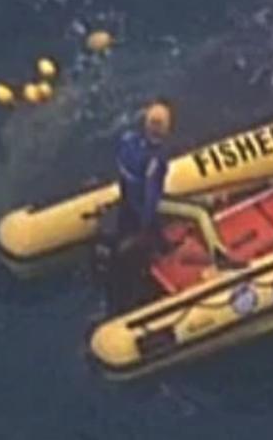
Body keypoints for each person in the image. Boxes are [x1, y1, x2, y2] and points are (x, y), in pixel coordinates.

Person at [97, 101, 233, 311]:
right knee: (199, 212)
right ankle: (221, 257)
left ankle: (199, 209)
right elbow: (152, 196)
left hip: (129, 201)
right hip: (145, 204)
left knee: (197, 200)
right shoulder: (156, 159)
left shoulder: (128, 141)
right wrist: (147, 226)